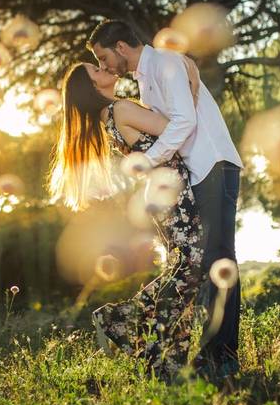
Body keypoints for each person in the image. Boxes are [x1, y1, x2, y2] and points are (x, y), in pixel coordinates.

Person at [88, 20, 244, 380]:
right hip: (195, 172)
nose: (106, 65)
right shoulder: (146, 79)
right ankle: (206, 355)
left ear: (122, 47)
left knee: (220, 258)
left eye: (103, 56)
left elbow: (184, 123)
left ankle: (221, 357)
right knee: (205, 263)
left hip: (213, 165)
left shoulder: (168, 64)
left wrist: (147, 161)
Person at [48, 59, 202, 380]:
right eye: (97, 71)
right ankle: (130, 325)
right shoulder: (121, 109)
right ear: (92, 88)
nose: (106, 70)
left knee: (183, 266)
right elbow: (179, 127)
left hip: (160, 196)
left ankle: (158, 353)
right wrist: (192, 85)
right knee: (190, 267)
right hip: (173, 191)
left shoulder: (108, 118)